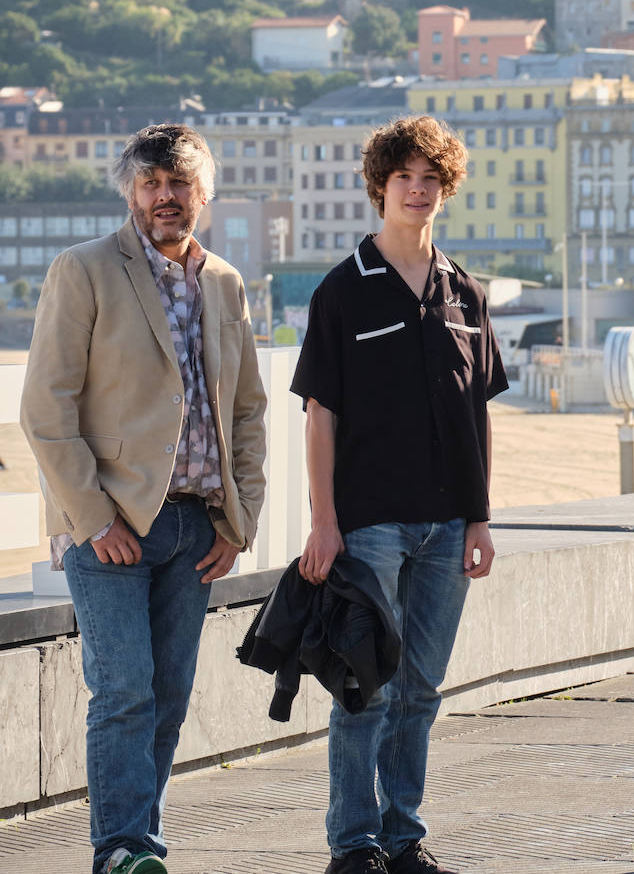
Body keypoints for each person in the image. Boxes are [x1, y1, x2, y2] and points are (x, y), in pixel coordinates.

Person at [20, 124, 268, 874]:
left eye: (180, 184)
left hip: (196, 527)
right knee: (123, 691)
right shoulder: (85, 270)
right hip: (110, 528)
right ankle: (121, 849)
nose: (167, 197)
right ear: (132, 191)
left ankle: (139, 844)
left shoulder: (223, 282)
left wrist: (240, 521)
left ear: (203, 194)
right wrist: (95, 520)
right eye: (152, 184)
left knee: (167, 695)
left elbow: (249, 412)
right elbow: (45, 409)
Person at [290, 116, 508, 874]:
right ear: (379, 187)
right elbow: (320, 417)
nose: (418, 191)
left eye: (431, 180)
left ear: (444, 191)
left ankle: (401, 835)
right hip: (368, 524)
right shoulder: (342, 291)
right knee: (364, 690)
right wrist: (324, 522)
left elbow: (477, 414)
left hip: (450, 525)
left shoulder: (465, 294)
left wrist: (480, 518)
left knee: (421, 690)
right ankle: (352, 845)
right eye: (404, 179)